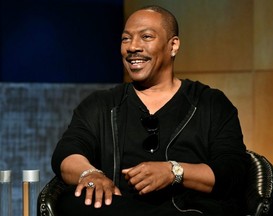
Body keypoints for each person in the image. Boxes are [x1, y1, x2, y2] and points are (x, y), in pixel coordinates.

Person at [51, 5, 249, 216]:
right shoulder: (102, 104)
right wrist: (89, 174)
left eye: (146, 37)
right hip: (118, 208)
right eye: (125, 39)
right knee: (73, 202)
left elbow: (232, 172)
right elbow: (67, 151)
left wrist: (174, 171)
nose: (132, 47)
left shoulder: (210, 103)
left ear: (173, 45)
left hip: (186, 209)